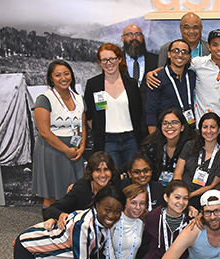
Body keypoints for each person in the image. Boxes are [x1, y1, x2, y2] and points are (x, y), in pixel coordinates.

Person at [123, 180, 192, 259]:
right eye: (177, 197)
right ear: (166, 197)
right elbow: (145, 242)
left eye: (185, 198)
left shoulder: (191, 221)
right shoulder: (153, 217)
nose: (181, 202)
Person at [33, 60, 87, 208]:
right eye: (57, 75)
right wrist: (66, 150)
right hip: (53, 150)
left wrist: (81, 147)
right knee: (52, 194)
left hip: (74, 150)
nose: (63, 78)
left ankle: (70, 225)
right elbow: (44, 132)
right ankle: (51, 225)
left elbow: (81, 126)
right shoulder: (44, 99)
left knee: (75, 191)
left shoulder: (78, 98)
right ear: (51, 78)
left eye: (66, 73)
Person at [83, 43, 147, 166]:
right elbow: (89, 116)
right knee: (111, 177)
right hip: (107, 141)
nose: (108, 63)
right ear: (99, 62)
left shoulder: (131, 84)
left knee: (133, 176)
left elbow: (138, 111)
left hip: (131, 140)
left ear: (119, 59)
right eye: (104, 60)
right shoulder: (93, 84)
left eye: (112, 59)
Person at [174, 112, 220, 208]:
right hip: (180, 190)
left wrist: (189, 196)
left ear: (219, 129)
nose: (208, 131)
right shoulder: (190, 146)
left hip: (200, 196)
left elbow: (211, 185)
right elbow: (177, 174)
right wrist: (180, 193)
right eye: (205, 127)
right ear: (200, 129)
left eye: (212, 127)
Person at [43, 151, 118, 222]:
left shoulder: (116, 184)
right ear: (91, 172)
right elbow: (50, 210)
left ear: (112, 172)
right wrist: (61, 215)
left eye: (106, 169)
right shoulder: (81, 189)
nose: (102, 175)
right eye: (98, 170)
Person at [146, 39, 196, 134]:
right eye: (176, 51)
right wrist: (153, 140)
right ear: (169, 54)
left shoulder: (192, 76)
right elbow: (151, 111)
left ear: (189, 56)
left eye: (184, 52)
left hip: (189, 131)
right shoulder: (157, 78)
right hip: (167, 131)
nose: (180, 55)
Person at [108, 184, 149, 259]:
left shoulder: (142, 223)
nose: (138, 207)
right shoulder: (112, 221)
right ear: (124, 202)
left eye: (142, 203)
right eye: (133, 203)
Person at [186, 29, 220, 119]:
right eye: (215, 45)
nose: (219, 48)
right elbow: (178, 67)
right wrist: (153, 73)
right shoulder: (198, 63)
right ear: (209, 47)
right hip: (202, 126)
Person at [140, 108, 195, 186]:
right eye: (165, 123)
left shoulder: (190, 146)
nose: (169, 126)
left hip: (184, 189)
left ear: (182, 127)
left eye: (174, 123)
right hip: (155, 189)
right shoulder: (150, 146)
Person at [122, 24, 159, 90]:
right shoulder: (116, 62)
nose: (134, 37)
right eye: (130, 34)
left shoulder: (156, 60)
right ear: (122, 38)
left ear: (143, 37)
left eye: (137, 34)